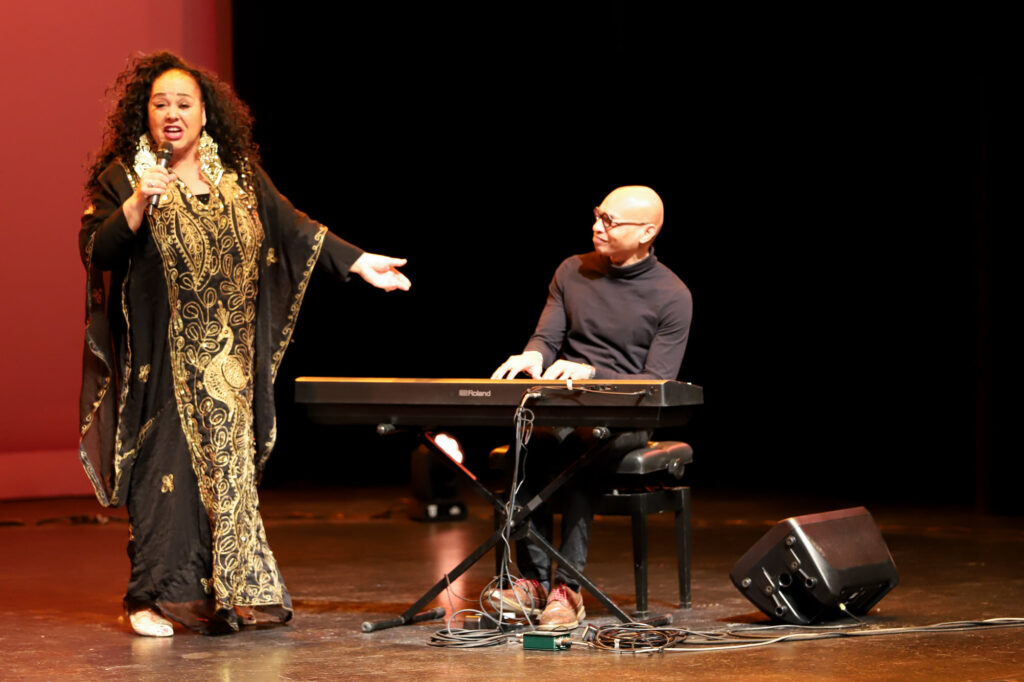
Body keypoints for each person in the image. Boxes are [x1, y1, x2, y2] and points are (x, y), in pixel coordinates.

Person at [78, 52, 410, 637]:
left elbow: (294, 228)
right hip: (166, 360)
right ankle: (151, 599)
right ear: (145, 115)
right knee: (168, 475)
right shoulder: (124, 177)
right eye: (160, 105)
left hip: (228, 362)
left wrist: (357, 262)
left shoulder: (238, 176)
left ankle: (229, 595)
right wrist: (136, 204)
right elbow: (98, 253)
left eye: (185, 104)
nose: (172, 115)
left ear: (206, 115)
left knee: (229, 480)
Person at [489, 185, 692, 629]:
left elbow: (657, 381)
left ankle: (569, 588)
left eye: (609, 221)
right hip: (567, 405)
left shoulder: (672, 295)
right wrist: (532, 356)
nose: (596, 227)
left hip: (627, 415)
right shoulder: (572, 270)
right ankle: (533, 582)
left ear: (646, 233)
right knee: (529, 435)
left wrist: (594, 376)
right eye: (598, 215)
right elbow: (547, 337)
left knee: (584, 444)